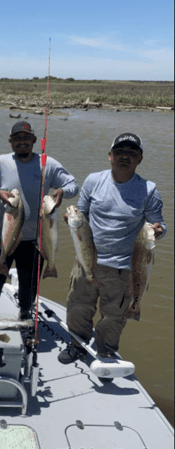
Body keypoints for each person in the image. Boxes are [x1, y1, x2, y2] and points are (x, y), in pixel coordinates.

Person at [58, 133, 166, 364]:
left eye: (131, 153)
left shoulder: (148, 190)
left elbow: (159, 224)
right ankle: (77, 345)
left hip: (123, 268)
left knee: (114, 316)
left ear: (140, 159)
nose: (124, 156)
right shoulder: (93, 181)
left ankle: (106, 352)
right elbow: (82, 213)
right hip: (87, 261)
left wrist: (158, 230)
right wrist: (71, 218)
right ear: (110, 156)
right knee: (77, 307)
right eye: (119, 152)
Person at [0, 121, 79, 319]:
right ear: (10, 142)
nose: (22, 142)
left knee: (30, 282)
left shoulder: (47, 163)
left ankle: (25, 314)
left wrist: (61, 191)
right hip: (3, 235)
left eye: (26, 138)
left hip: (35, 239)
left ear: (34, 140)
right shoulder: (1, 162)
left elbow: (73, 185)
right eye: (17, 138)